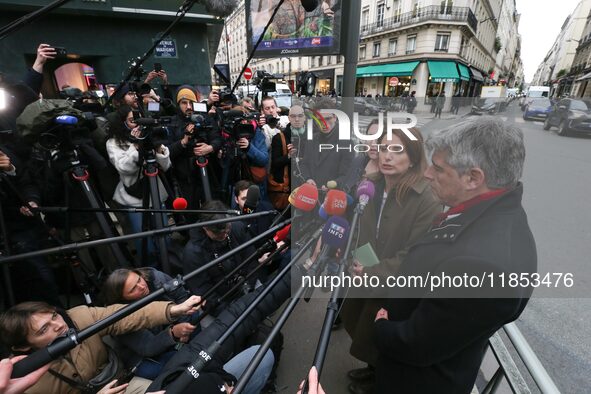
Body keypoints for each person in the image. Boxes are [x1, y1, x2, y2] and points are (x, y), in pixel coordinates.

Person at [372, 117, 537, 393]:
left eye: (438, 168)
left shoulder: (484, 266)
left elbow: (417, 344)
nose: (427, 174)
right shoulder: (491, 210)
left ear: (473, 178)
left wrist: (381, 327)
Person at [341, 127, 441, 394]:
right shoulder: (371, 185)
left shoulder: (427, 199)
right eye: (384, 148)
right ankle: (373, 368)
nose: (387, 155)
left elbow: (415, 252)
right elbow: (360, 229)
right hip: (366, 271)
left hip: (394, 283)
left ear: (413, 157)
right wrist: (356, 258)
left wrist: (373, 272)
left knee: (383, 333)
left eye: (397, 150)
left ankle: (380, 380)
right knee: (360, 324)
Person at [0, 297, 202, 394]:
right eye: (44, 330)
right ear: (24, 347)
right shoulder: (21, 379)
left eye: (54, 316)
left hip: (122, 385)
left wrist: (172, 309)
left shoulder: (77, 318)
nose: (59, 325)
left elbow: (124, 315)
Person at [102, 268, 198, 379]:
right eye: (133, 289)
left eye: (139, 280)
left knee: (194, 316)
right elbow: (148, 346)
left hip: (169, 329)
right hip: (143, 354)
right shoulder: (120, 317)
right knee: (165, 370)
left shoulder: (155, 279)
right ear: (123, 298)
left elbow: (181, 296)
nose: (141, 286)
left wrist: (183, 328)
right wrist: (174, 333)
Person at [106, 105, 171, 267]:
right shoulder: (113, 143)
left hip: (156, 195)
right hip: (134, 199)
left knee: (165, 240)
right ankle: (149, 274)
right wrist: (136, 146)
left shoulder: (149, 136)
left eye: (139, 119)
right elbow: (124, 168)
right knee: (146, 245)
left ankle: (168, 270)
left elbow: (166, 165)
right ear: (122, 123)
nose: (137, 124)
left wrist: (156, 147)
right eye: (132, 120)